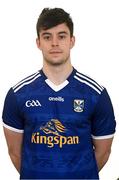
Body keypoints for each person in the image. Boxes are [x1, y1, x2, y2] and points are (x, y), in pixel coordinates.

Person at [2, 7, 116, 179]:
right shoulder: (18, 95)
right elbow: (15, 153)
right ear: (38, 42)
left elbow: (103, 152)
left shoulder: (96, 94)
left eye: (61, 36)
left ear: (72, 41)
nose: (54, 43)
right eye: (47, 37)